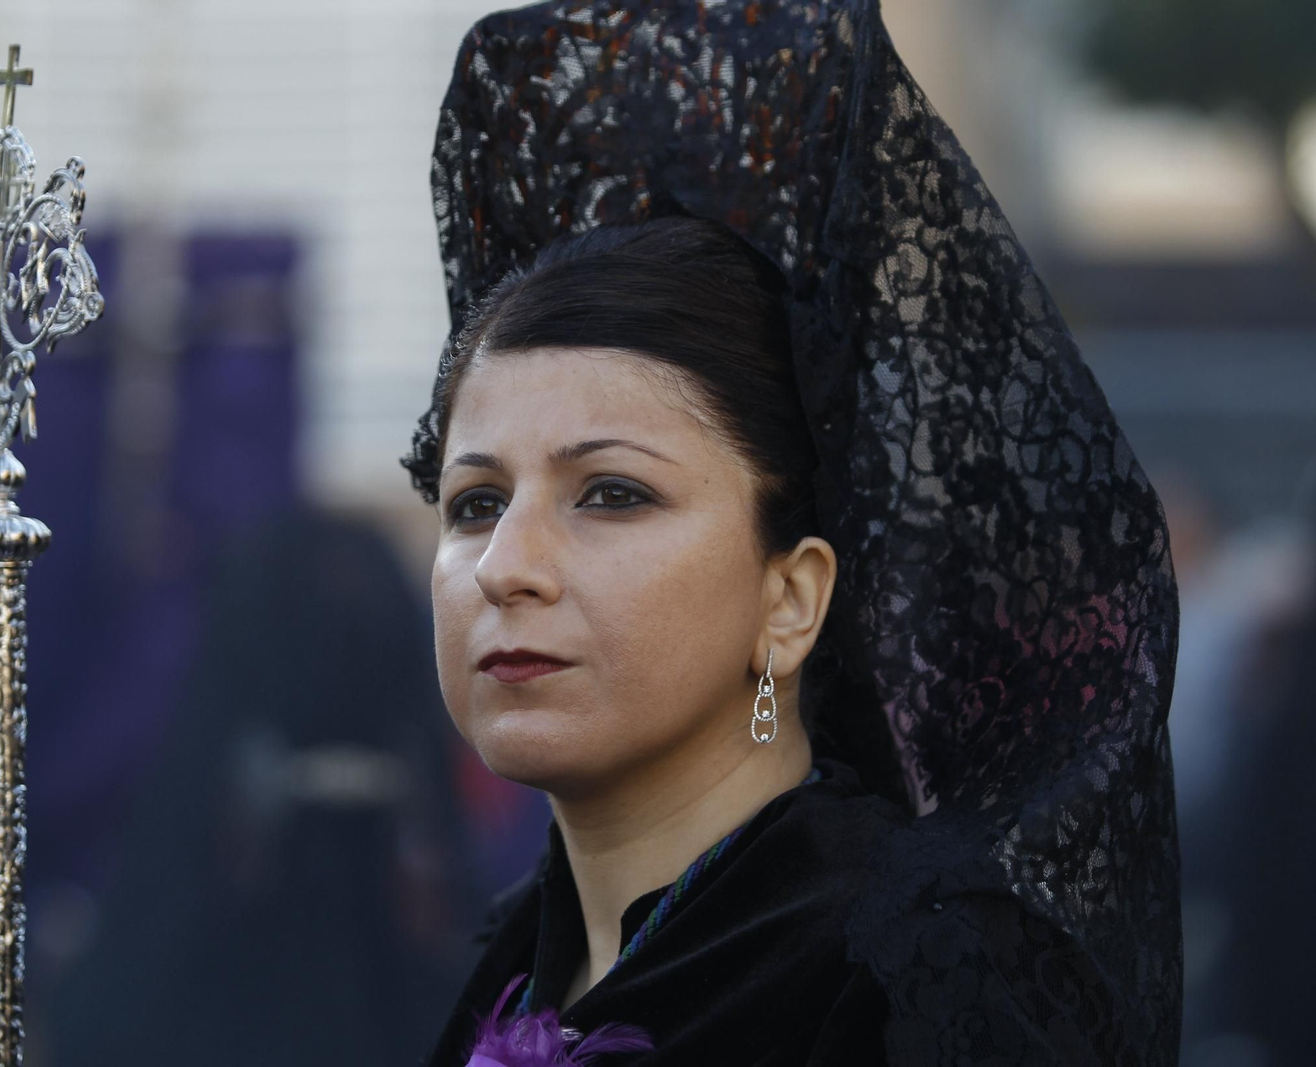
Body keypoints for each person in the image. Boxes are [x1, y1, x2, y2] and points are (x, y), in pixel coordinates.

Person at [402, 2, 1182, 1065]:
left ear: (792, 597)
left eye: (612, 494)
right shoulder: (513, 957)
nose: (505, 567)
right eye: (475, 502)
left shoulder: (917, 980)